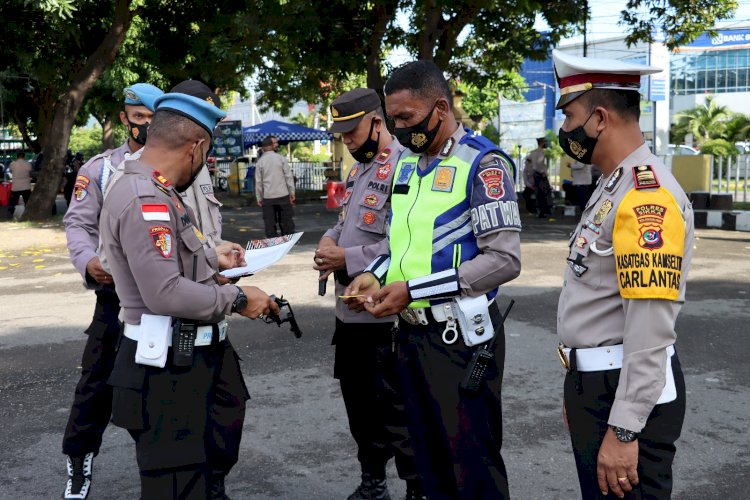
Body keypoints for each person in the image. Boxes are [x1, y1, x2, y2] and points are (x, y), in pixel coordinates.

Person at [344, 60, 522, 499]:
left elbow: (503, 260)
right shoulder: (406, 164)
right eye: (393, 120)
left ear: (441, 108)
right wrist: (373, 275)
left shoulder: (484, 163)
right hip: (410, 338)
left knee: (472, 469)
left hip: (460, 339)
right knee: (426, 467)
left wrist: (413, 291)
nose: (400, 129)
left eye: (407, 118)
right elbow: (400, 246)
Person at [100, 86, 280, 499]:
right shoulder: (145, 196)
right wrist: (236, 299)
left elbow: (173, 260)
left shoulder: (160, 189)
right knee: (177, 486)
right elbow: (164, 292)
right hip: (166, 369)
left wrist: (213, 258)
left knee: (204, 472)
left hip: (190, 359)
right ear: (197, 147)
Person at [553, 49, 694, 499]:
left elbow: (651, 326)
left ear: (598, 119)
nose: (565, 130)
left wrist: (626, 429)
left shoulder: (644, 196)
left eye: (570, 116)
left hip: (624, 394)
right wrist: (578, 385)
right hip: (598, 387)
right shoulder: (613, 184)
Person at [314, 88, 422, 500]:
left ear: (378, 122)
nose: (346, 140)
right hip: (350, 317)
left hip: (385, 316)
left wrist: (347, 258)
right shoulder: (360, 171)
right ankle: (373, 483)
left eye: (352, 130)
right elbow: (344, 223)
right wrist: (328, 243)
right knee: (359, 408)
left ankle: (416, 487)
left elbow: (405, 244)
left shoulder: (405, 168)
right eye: (341, 132)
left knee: (398, 411)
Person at [61, 83, 163, 500]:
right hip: (115, 295)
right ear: (125, 118)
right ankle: (79, 464)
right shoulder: (100, 169)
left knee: (158, 387)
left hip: (163, 295)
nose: (146, 126)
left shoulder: (177, 165)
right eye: (139, 118)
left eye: (154, 119)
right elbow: (78, 224)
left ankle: (159, 474)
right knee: (96, 385)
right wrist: (88, 261)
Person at [254, 135, 296, 236]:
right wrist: (292, 193)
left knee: (270, 223)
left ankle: (272, 244)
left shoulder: (260, 162)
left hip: (268, 197)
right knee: (286, 221)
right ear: (271, 146)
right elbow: (289, 177)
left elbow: (258, 182)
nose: (277, 145)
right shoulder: (281, 159)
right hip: (283, 195)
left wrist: (259, 197)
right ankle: (288, 240)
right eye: (275, 143)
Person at [525, 137, 552, 217]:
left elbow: (528, 161)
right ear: (542, 143)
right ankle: (543, 211)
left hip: (536, 174)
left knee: (539, 193)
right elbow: (539, 165)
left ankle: (541, 211)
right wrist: (543, 173)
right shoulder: (540, 153)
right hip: (540, 175)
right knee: (543, 193)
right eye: (545, 142)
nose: (546, 143)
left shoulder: (532, 152)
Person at [7, 151, 33, 218]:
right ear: (24, 156)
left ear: (17, 156)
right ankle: (29, 212)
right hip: (26, 186)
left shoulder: (13, 164)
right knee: (27, 201)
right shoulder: (28, 164)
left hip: (16, 186)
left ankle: (11, 210)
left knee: (13, 201)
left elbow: (10, 171)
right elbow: (30, 173)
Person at [521, 149, 536, 214]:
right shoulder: (525, 170)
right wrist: (531, 186)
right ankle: (529, 209)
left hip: (537, 185)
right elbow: (525, 181)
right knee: (526, 194)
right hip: (530, 186)